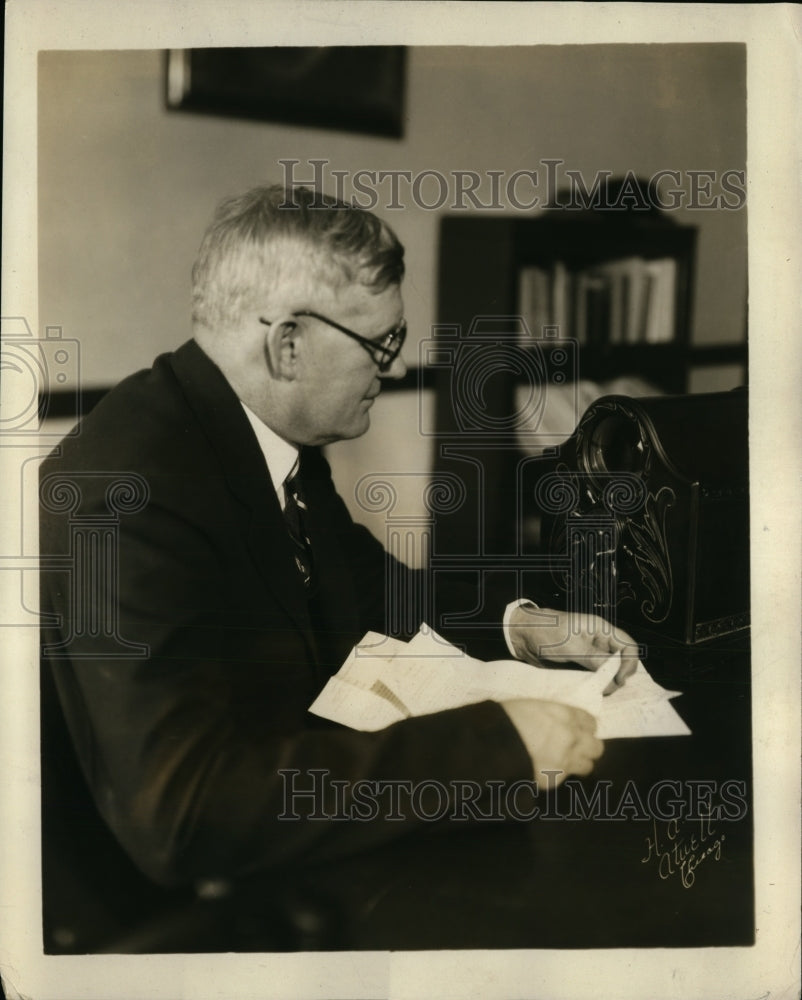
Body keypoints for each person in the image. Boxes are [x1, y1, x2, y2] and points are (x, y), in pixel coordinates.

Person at [39, 184, 637, 900]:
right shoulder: (127, 494)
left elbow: (369, 589)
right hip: (183, 909)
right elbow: (186, 812)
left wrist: (521, 625)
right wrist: (498, 746)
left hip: (292, 833)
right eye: (380, 343)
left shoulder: (251, 431)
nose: (389, 371)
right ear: (288, 344)